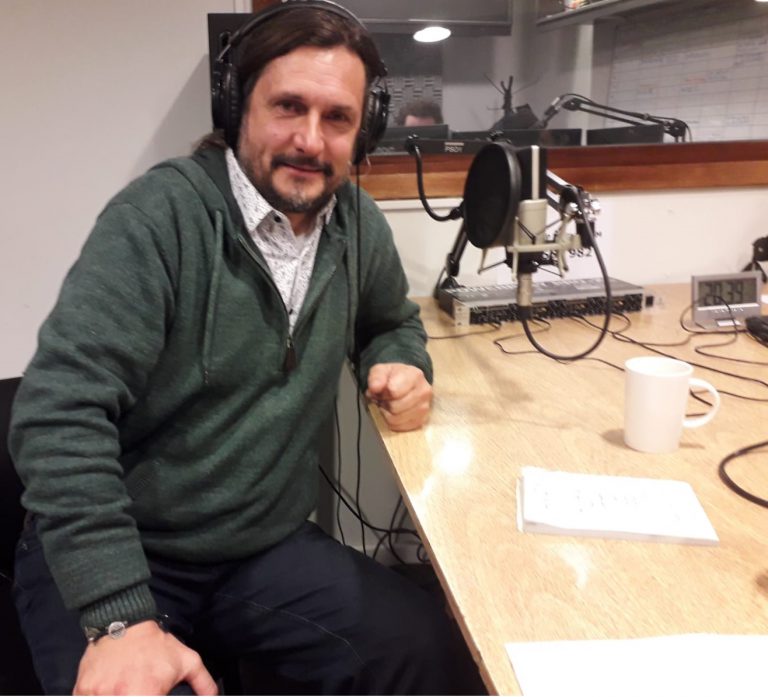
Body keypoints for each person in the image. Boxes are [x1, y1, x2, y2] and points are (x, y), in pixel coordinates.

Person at [8, 2, 484, 695]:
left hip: (259, 551)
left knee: (429, 652)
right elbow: (57, 415)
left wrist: (402, 360)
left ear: (364, 129)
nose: (310, 140)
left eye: (337, 118)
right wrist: (120, 617)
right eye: (288, 107)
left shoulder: (358, 225)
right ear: (237, 107)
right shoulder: (159, 219)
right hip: (120, 549)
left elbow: (392, 321)